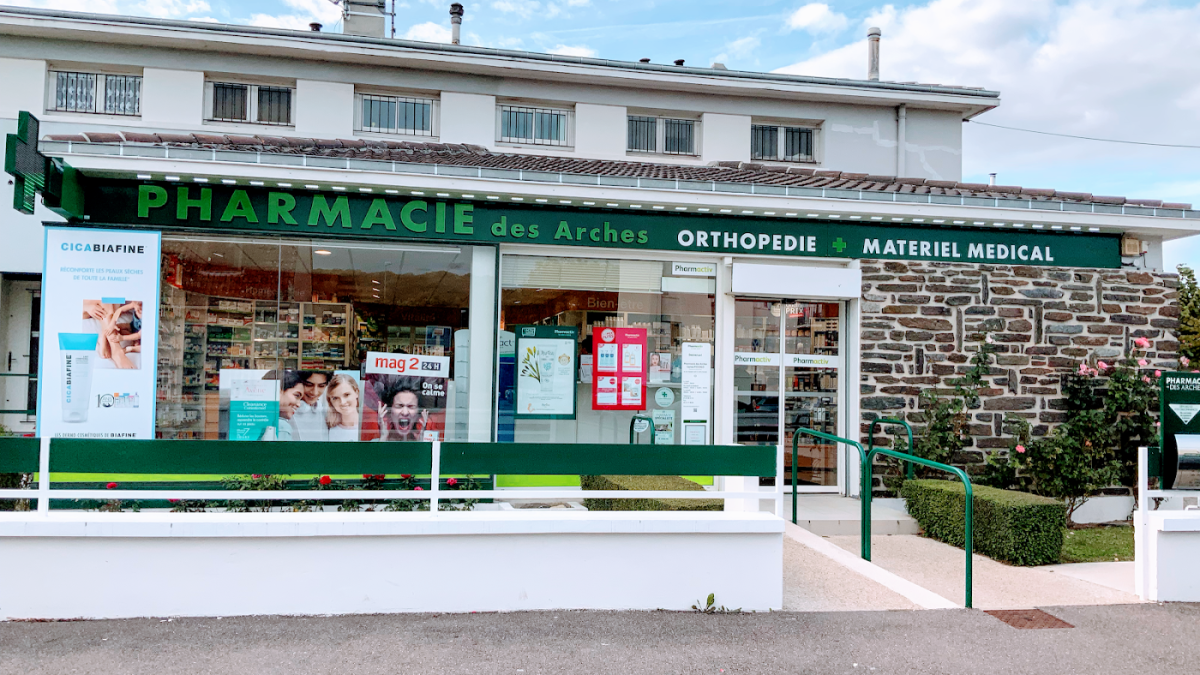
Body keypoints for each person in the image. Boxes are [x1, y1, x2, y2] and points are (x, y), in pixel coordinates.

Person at [261, 370, 305, 441]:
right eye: (296, 395)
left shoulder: (255, 420)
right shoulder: (281, 426)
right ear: (277, 391)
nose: (298, 404)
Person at [291, 371, 330, 441]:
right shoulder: (286, 412)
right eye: (309, 385)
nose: (315, 392)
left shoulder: (326, 414)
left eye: (321, 386)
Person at [325, 374, 361, 442]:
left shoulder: (369, 427)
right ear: (330, 401)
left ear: (357, 392)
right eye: (335, 398)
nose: (342, 402)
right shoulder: (329, 431)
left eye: (346, 395)